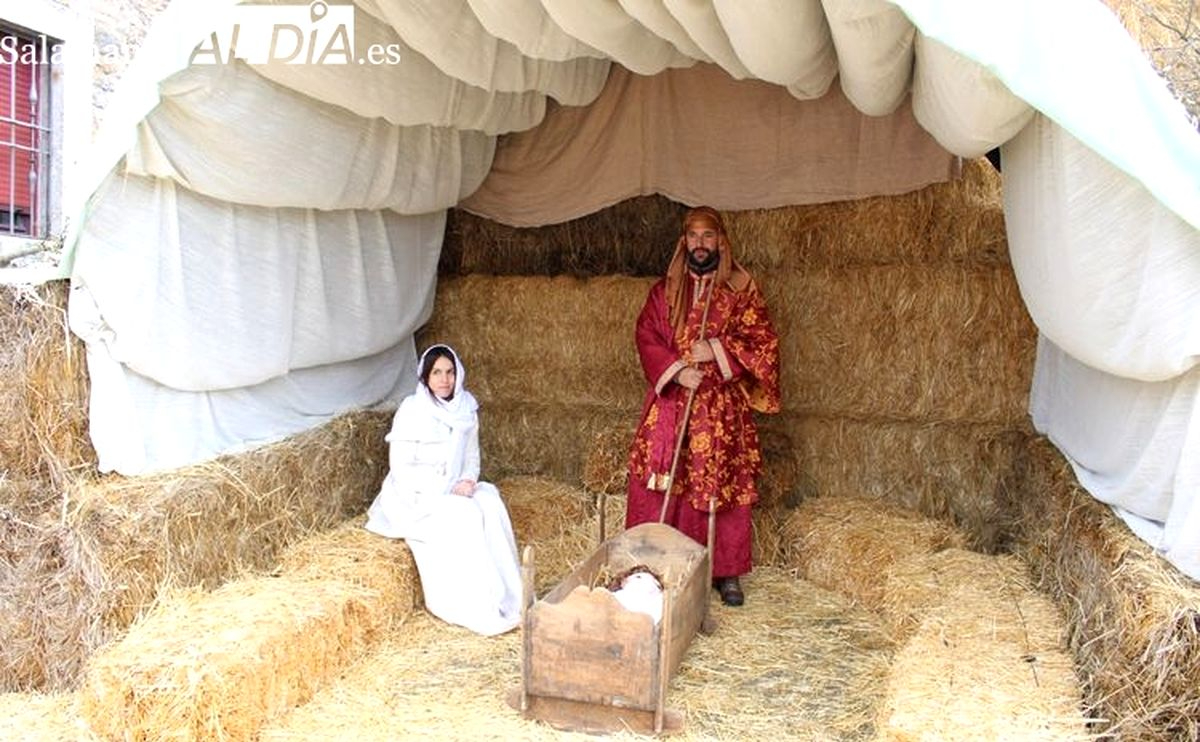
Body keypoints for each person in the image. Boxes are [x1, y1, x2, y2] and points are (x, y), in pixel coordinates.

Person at [625, 206, 781, 607]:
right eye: (693, 236)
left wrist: (715, 350)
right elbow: (646, 336)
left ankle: (723, 571)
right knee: (660, 480)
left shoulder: (741, 291)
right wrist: (677, 371)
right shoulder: (665, 291)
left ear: (721, 241)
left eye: (707, 236)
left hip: (720, 409)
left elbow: (764, 343)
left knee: (722, 484)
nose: (699, 244)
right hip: (673, 404)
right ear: (684, 242)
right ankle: (654, 565)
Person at [365, 344, 522, 636]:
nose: (444, 379)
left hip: (453, 486)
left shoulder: (466, 408)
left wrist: (468, 481)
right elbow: (400, 467)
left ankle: (511, 596)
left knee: (489, 500)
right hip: (414, 494)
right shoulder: (412, 410)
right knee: (465, 514)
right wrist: (439, 492)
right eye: (436, 372)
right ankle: (475, 603)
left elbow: (471, 458)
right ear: (426, 376)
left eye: (449, 372)